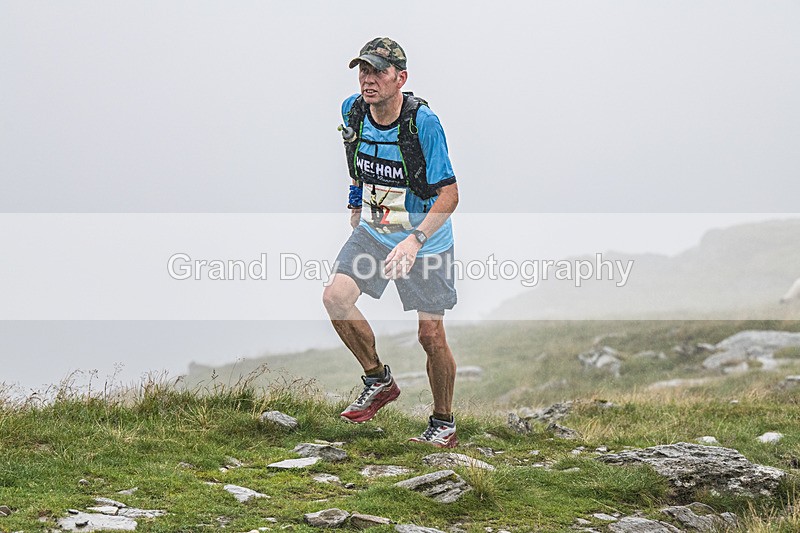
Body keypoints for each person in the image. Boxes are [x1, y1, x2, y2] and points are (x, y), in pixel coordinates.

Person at [322, 37, 460, 448]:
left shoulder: (423, 123)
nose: (369, 79)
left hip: (426, 240)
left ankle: (443, 422)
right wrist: (354, 203)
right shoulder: (352, 111)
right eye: (363, 71)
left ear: (400, 78)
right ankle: (378, 379)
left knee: (430, 336)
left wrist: (415, 241)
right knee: (335, 298)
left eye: (378, 71)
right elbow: (356, 164)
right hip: (376, 230)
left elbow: (450, 195)